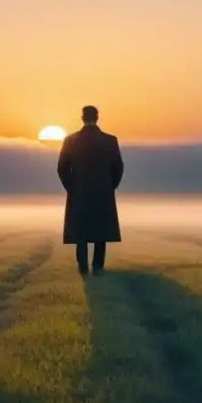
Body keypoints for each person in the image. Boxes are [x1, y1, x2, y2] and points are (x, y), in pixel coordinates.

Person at [57, 105, 123, 275]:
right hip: (103, 192)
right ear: (97, 117)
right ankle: (98, 266)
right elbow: (118, 168)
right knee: (100, 229)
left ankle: (83, 267)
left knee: (81, 230)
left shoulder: (71, 140)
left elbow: (62, 168)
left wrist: (71, 187)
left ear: (82, 118)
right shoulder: (110, 140)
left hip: (79, 192)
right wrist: (110, 186)